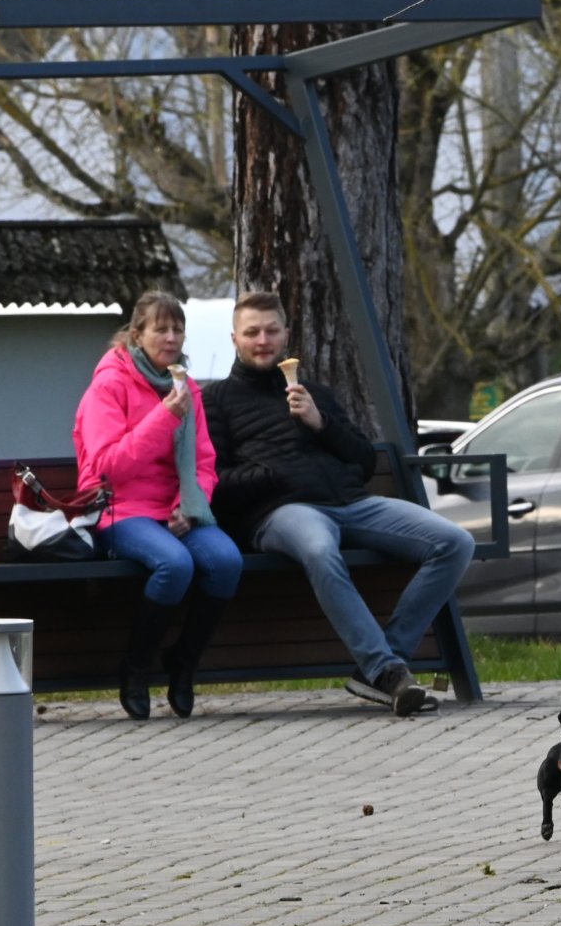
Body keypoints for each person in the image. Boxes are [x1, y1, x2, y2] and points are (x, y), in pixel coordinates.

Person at [202, 291, 476, 718]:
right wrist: (274, 473)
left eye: (271, 330)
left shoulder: (315, 394)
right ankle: (386, 671)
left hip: (351, 503)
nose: (262, 340)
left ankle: (384, 667)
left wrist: (320, 423)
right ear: (234, 338)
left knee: (454, 541)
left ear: (286, 334)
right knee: (318, 549)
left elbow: (364, 460)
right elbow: (215, 483)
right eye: (252, 332)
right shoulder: (215, 401)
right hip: (280, 514)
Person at [74, 291, 242, 721]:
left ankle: (183, 663)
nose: (171, 338)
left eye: (177, 329)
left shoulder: (185, 386)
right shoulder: (109, 385)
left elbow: (204, 460)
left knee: (225, 561)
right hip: (119, 508)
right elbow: (108, 467)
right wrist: (164, 417)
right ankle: (135, 667)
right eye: (160, 329)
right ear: (136, 335)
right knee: (175, 565)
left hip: (177, 507)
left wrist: (189, 504)